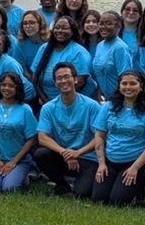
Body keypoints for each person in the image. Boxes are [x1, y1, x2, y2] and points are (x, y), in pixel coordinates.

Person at [92, 70, 145, 206]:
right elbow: (99, 135)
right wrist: (101, 163)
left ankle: (139, 191)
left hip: (137, 163)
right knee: (99, 199)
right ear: (119, 86)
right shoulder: (109, 107)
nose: (128, 87)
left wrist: (134, 168)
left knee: (117, 202)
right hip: (110, 161)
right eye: (124, 83)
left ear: (141, 86)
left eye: (133, 83)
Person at [34, 62, 101, 197]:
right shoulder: (48, 108)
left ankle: (79, 183)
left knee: (82, 193)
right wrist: (65, 153)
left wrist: (77, 153)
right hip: (63, 156)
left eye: (67, 77)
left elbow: (99, 137)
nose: (63, 81)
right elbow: (42, 137)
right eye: (59, 78)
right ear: (55, 83)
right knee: (41, 154)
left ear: (75, 79)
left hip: (87, 157)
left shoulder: (92, 106)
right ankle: (61, 185)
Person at [0, 73, 37, 192]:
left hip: (18, 159)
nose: (6, 88)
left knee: (9, 188)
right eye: (4, 85)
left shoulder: (25, 109)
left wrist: (14, 161)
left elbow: (32, 138)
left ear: (17, 88)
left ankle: (23, 177)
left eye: (11, 86)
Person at [31, 16, 92, 104]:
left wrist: (59, 103)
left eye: (64, 28)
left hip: (73, 101)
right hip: (46, 101)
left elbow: (79, 83)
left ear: (72, 32)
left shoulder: (80, 52)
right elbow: (35, 77)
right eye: (57, 27)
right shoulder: (43, 48)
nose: (60, 31)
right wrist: (45, 100)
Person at [91, 11, 132, 101]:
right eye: (101, 23)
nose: (103, 27)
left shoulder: (120, 48)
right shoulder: (100, 45)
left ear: (117, 26)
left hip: (120, 99)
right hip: (106, 98)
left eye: (108, 23)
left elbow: (126, 79)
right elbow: (99, 74)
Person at [11, 10, 48, 75]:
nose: (28, 26)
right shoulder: (20, 44)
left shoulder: (49, 41)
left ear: (40, 24)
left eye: (32, 23)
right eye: (25, 23)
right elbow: (24, 69)